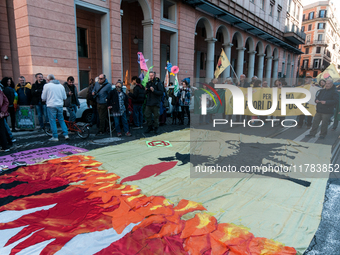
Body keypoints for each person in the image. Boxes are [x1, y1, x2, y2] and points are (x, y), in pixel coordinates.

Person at [41, 74, 68, 141]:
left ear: (48, 80)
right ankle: (66, 134)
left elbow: (43, 97)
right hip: (60, 105)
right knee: (61, 120)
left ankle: (55, 136)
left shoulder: (47, 86)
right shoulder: (61, 86)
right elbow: (65, 97)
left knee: (52, 121)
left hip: (51, 105)